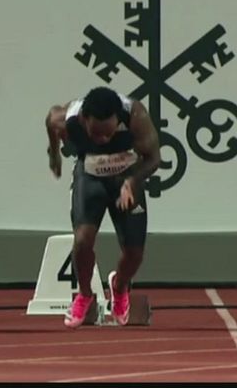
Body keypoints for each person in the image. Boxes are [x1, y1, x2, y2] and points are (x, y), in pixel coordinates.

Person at [45, 86, 161, 328]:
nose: (104, 139)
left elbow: (153, 158)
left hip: (125, 177)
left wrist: (132, 181)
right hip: (90, 176)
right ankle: (85, 294)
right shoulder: (65, 119)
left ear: (118, 120)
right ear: (84, 119)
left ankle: (119, 286)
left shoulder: (135, 115)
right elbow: (50, 122)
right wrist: (54, 154)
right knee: (82, 240)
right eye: (97, 134)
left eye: (109, 133)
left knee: (135, 253)